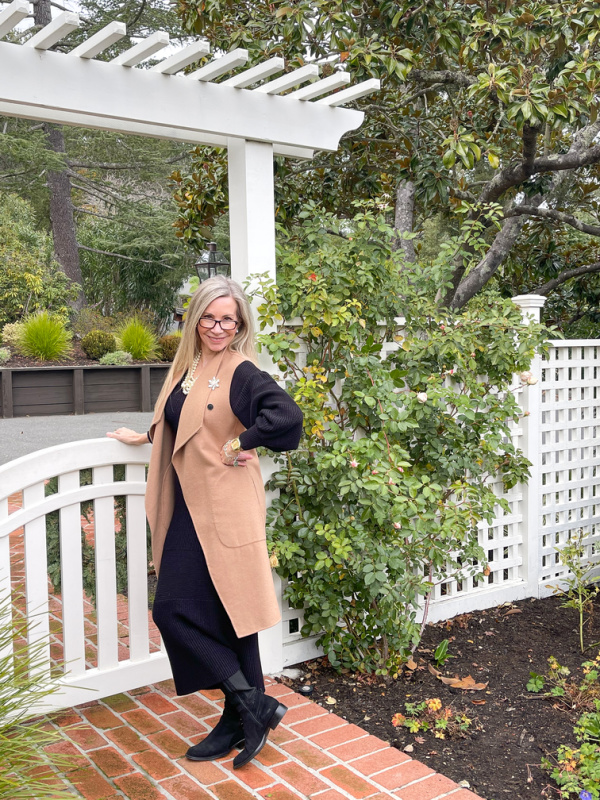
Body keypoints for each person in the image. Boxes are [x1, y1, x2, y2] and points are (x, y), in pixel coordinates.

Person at [107, 275, 303, 769]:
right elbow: (185, 420)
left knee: (176, 610)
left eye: (228, 320)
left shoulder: (238, 369)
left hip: (224, 506)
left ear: (239, 325)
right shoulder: (190, 365)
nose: (218, 327)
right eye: (210, 317)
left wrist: (241, 443)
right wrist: (145, 435)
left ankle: (249, 705)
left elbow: (287, 417)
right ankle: (245, 710)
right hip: (193, 504)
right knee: (215, 613)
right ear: (194, 318)